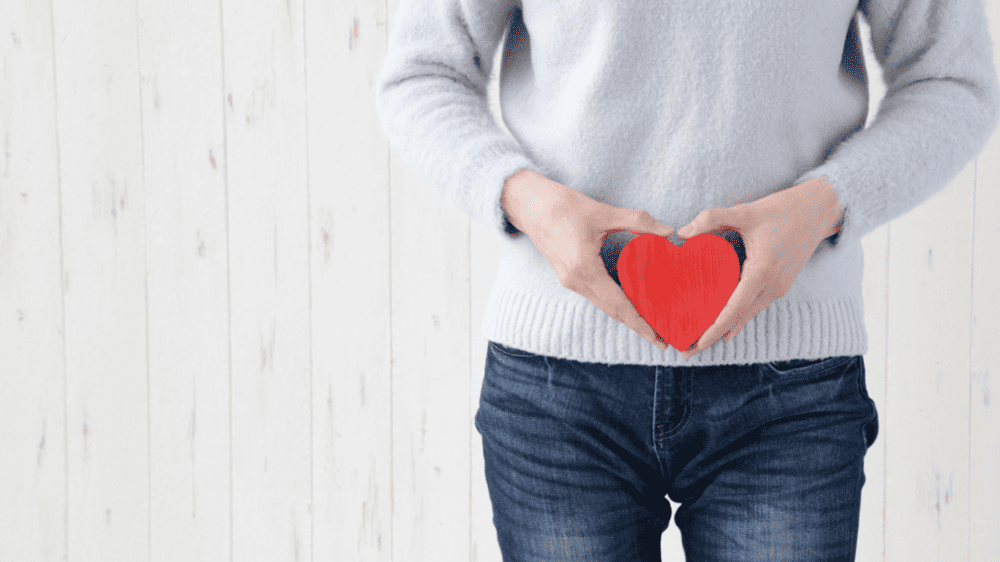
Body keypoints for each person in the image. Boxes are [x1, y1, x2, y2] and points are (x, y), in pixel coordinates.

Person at [375, 0, 1000, 559]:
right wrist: (530, 203)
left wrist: (820, 208)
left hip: (791, 392)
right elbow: (423, 74)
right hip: (555, 389)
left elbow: (952, 81)